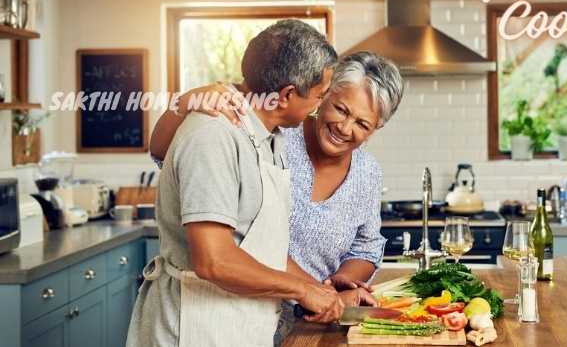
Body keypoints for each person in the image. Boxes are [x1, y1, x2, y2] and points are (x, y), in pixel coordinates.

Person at [149, 50, 405, 345]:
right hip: (236, 311)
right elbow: (166, 153)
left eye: (363, 124)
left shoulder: (367, 172)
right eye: (341, 109)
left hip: (316, 318)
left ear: (376, 129)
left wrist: (333, 288)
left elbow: (366, 246)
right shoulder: (275, 133)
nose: (345, 129)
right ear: (323, 95)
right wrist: (186, 101)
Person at [126, 19, 350, 347]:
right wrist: (303, 291)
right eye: (318, 96)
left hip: (238, 324)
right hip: (193, 329)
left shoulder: (270, 137)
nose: (319, 106)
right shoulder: (214, 134)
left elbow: (260, 249)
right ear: (287, 95)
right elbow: (214, 259)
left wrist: (327, 294)